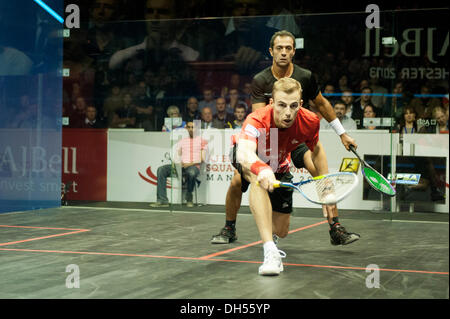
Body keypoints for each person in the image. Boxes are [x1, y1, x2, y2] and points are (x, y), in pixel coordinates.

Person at [211, 30, 358, 245]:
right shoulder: (261, 80)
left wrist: (342, 133)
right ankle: (229, 228)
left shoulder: (305, 76)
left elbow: (323, 104)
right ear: (271, 51)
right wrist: (272, 160)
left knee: (321, 174)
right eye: (279, 48)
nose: (283, 52)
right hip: (268, 140)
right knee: (237, 180)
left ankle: (335, 227)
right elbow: (260, 120)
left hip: (296, 136)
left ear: (293, 52)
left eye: (288, 48)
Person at [233, 78, 359, 275]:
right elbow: (244, 153)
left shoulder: (310, 121)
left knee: (282, 230)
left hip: (280, 163)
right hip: (254, 158)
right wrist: (262, 168)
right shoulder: (256, 120)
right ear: (272, 103)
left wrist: (324, 184)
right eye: (282, 105)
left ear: (300, 105)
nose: (288, 112)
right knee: (256, 179)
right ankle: (270, 252)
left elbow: (316, 150)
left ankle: (273, 237)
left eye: (293, 106)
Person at [150, 121, 208, 208]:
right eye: (189, 127)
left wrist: (189, 164)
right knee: (161, 170)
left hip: (193, 166)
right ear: (186, 128)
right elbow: (177, 155)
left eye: (193, 127)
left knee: (191, 173)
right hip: (181, 166)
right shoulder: (182, 141)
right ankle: (162, 200)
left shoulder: (202, 141)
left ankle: (189, 198)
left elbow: (202, 158)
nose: (191, 129)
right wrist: (177, 162)